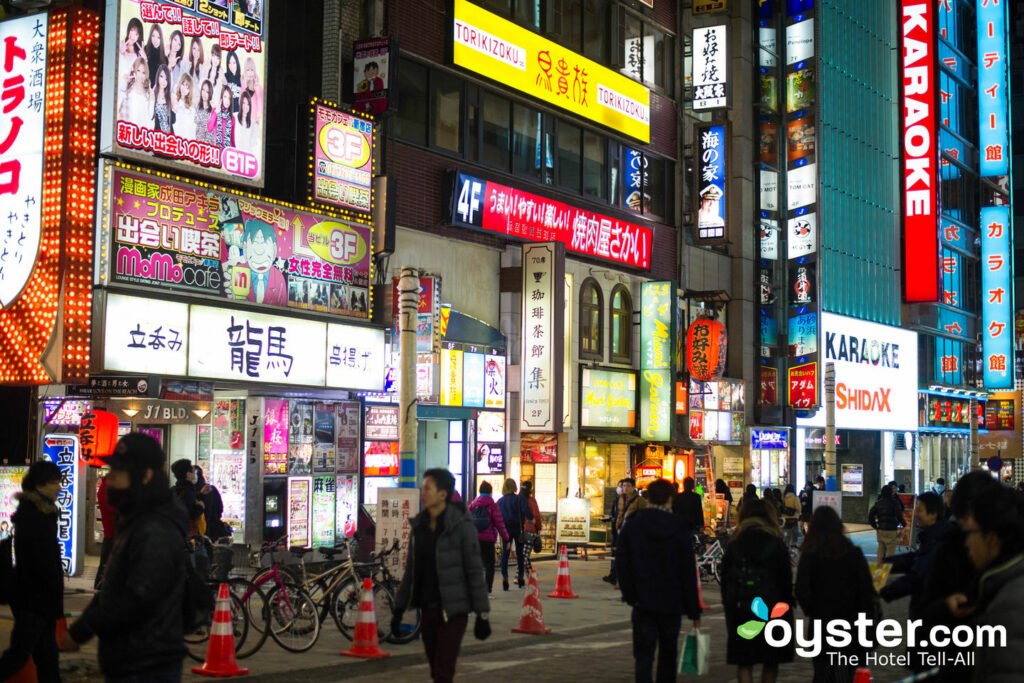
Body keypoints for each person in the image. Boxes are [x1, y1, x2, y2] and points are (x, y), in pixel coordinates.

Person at [61, 433, 189, 680]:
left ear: (146, 476)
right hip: (131, 659)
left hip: (147, 664)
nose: (110, 481)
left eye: (118, 474)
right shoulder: (137, 521)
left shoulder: (155, 529)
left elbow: (136, 597)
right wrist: (81, 630)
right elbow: (114, 589)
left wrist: (83, 629)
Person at [392, 469, 490, 683]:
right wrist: (399, 609)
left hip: (453, 612)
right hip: (428, 609)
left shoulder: (462, 527)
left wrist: (482, 615)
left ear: (443, 494)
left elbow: (474, 570)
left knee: (443, 669)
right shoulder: (419, 527)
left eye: (428, 488)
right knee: (435, 668)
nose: (423, 493)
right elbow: (411, 571)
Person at [617, 479, 701, 683]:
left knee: (643, 657)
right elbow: (688, 571)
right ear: (671, 500)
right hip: (671, 603)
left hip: (643, 602)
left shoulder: (634, 524)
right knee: (668, 655)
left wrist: (630, 596)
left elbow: (622, 564)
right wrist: (693, 609)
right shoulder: (680, 528)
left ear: (649, 498)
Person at [945, 484, 1024, 681]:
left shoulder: (1010, 603)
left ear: (992, 539)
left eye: (970, 533)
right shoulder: (998, 583)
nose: (967, 543)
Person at [795, 506, 877, 683]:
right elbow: (867, 590)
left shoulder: (810, 554)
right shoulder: (853, 553)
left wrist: (814, 609)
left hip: (822, 625)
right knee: (848, 673)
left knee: (823, 672)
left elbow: (801, 590)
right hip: (852, 624)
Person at [0, 461, 64, 682]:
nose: (59, 487)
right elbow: (42, 562)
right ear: (39, 485)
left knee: (47, 657)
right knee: (20, 656)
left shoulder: (38, 513)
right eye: (54, 482)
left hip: (37, 599)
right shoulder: (36, 516)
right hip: (34, 599)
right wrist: (51, 593)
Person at [721, 498, 795, 683]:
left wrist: (730, 607)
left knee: (744, 662)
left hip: (741, 607)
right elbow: (785, 580)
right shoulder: (776, 543)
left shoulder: (735, 543)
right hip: (772, 608)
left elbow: (726, 580)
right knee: (771, 661)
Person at [878, 491, 952, 670]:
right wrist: (883, 568)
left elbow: (919, 575)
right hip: (928, 616)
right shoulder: (933, 535)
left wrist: (884, 590)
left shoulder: (939, 539)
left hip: (932, 616)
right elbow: (915, 559)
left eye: (920, 510)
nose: (915, 513)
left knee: (927, 667)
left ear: (933, 514)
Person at [467, 481, 508, 593]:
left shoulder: (473, 504)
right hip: (488, 540)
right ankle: (487, 589)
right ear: (490, 492)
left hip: (475, 539)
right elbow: (499, 523)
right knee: (489, 565)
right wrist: (506, 538)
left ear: (480, 491)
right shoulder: (492, 505)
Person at [497, 478, 529, 590]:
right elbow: (526, 510)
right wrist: (531, 519)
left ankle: (505, 578)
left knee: (505, 554)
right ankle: (520, 578)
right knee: (520, 554)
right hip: (518, 529)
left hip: (505, 531)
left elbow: (497, 516)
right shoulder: (519, 499)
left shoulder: (500, 501)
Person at [868, 484, 903, 563]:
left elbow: (870, 516)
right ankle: (888, 570)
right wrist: (904, 524)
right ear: (890, 492)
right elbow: (899, 516)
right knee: (890, 551)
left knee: (881, 549)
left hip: (881, 529)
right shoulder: (895, 503)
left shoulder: (878, 503)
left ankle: (880, 570)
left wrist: (875, 526)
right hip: (891, 530)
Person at [95, 473, 118, 590]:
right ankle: (101, 585)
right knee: (107, 562)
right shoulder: (107, 487)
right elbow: (111, 507)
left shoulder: (108, 486)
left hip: (113, 531)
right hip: (112, 530)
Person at [171, 458, 204, 536]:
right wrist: (200, 507)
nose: (195, 474)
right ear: (188, 474)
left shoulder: (174, 490)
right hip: (187, 534)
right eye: (193, 472)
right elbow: (190, 512)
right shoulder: (188, 490)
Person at [194, 466, 229, 541]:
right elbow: (220, 508)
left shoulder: (190, 491)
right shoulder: (211, 489)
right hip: (212, 529)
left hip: (196, 530)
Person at [119, 57, 152, 129]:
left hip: (140, 133)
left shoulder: (147, 93)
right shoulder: (128, 87)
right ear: (134, 70)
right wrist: (123, 81)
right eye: (138, 70)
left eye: (143, 72)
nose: (140, 75)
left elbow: (150, 116)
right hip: (126, 130)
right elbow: (118, 103)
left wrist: (152, 99)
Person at [519, 480, 542, 574]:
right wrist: (539, 527)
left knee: (525, 554)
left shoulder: (518, 499)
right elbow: (536, 515)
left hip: (519, 530)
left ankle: (531, 575)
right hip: (530, 530)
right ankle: (518, 576)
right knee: (525, 555)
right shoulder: (532, 501)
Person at [207, 84, 235, 149]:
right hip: (217, 151)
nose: (227, 100)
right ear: (221, 98)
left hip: (227, 153)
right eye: (225, 97)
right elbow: (209, 128)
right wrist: (216, 113)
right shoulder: (216, 110)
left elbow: (232, 140)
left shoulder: (232, 118)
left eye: (229, 98)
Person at [151, 64, 174, 134]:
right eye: (161, 76)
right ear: (157, 76)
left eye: (166, 79)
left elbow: (173, 120)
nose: (163, 81)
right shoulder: (152, 94)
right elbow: (150, 116)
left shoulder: (170, 96)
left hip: (169, 137)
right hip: (157, 136)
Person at [172, 73, 195, 140]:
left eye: (187, 87)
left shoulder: (191, 106)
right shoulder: (174, 99)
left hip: (187, 138)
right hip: (175, 137)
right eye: (183, 84)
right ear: (180, 84)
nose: (184, 89)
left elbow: (191, 127)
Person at [143, 23, 167, 89]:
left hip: (158, 92)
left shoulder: (164, 56)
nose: (155, 40)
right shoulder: (145, 50)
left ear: (161, 39)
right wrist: (145, 59)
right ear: (150, 36)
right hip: (145, 89)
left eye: (158, 37)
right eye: (153, 36)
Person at [241, 57, 263, 124]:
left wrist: (257, 118)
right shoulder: (242, 85)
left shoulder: (259, 88)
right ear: (245, 71)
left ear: (254, 71)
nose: (250, 73)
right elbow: (240, 103)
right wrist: (244, 86)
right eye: (247, 70)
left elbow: (261, 108)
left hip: (254, 123)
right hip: (243, 122)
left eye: (252, 70)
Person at [194, 79, 215, 145]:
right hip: (196, 144)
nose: (204, 94)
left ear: (210, 93)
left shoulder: (212, 110)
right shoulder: (196, 107)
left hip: (208, 145)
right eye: (203, 90)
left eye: (207, 92)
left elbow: (212, 132)